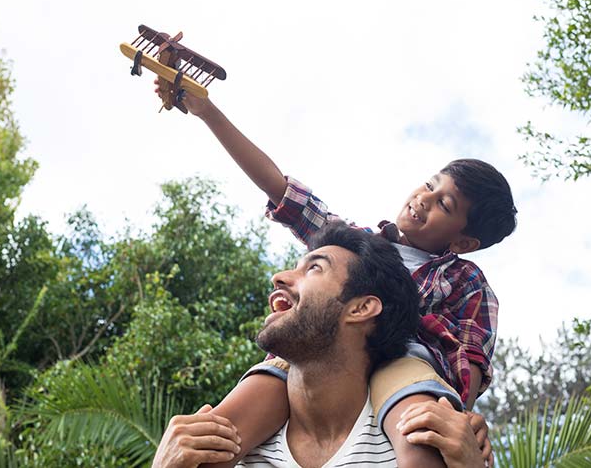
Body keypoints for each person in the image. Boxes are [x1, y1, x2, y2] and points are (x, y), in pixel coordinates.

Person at [154, 83, 510, 467]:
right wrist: (208, 111)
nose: (423, 198)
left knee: (423, 431)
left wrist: (461, 416)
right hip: (317, 348)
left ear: (464, 242)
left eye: (443, 203)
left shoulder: (466, 279)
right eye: (429, 184)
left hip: (405, 358)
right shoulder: (351, 245)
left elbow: (469, 357)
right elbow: (282, 189)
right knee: (220, 430)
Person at [151, 223, 488, 468]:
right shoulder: (236, 443)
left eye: (313, 268)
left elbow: (469, 353)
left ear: (360, 308)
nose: (279, 277)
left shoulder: (425, 435)